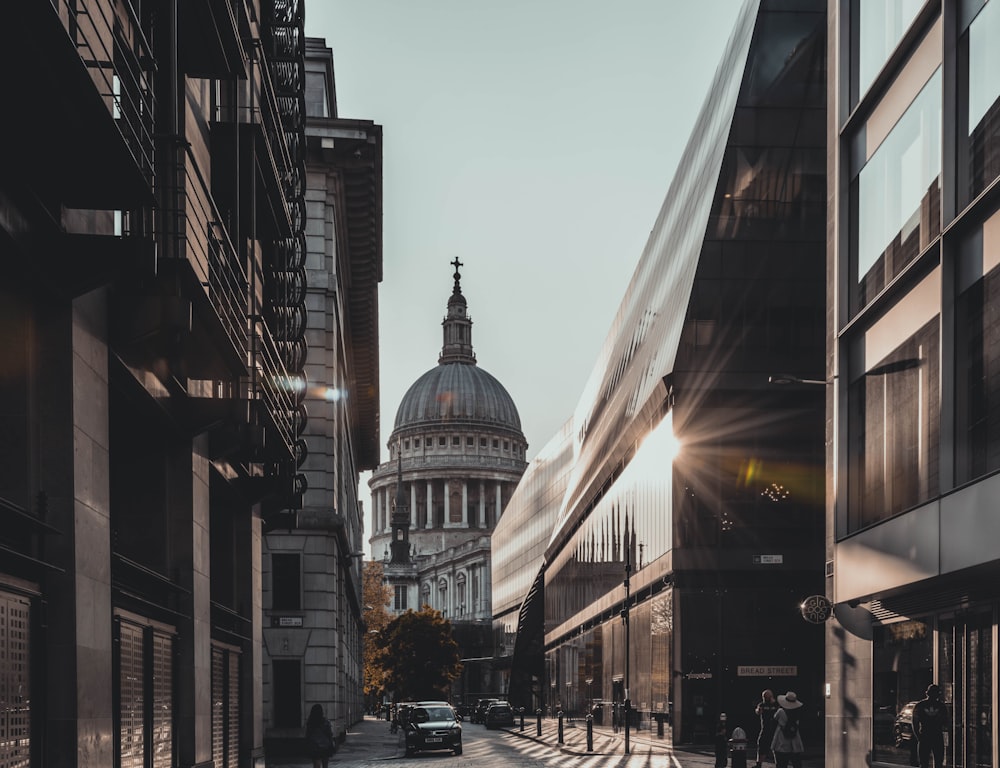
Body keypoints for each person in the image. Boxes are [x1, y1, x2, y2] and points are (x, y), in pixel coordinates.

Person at [912, 684, 948, 768]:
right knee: (938, 762)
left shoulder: (919, 705)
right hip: (937, 736)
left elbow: (914, 722)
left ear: (927, 693)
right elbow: (946, 722)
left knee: (924, 763)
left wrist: (918, 737)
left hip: (924, 735)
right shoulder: (942, 706)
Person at [770, 691, 805, 768]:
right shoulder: (797, 712)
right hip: (795, 741)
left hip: (781, 741)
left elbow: (774, 719)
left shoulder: (781, 711)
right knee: (797, 763)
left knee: (781, 764)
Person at [305, 703, 336, 768]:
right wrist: (331, 743)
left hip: (314, 747)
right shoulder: (325, 722)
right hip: (325, 746)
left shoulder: (310, 723)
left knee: (316, 765)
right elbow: (330, 734)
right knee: (325, 765)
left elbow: (308, 735)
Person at [754, 689, 779, 767]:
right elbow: (758, 711)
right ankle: (759, 764)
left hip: (775, 729)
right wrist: (759, 710)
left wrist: (774, 702)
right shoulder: (762, 704)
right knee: (761, 745)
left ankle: (779, 764)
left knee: (776, 748)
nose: (765, 698)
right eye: (764, 697)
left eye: (767, 697)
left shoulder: (776, 704)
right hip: (765, 729)